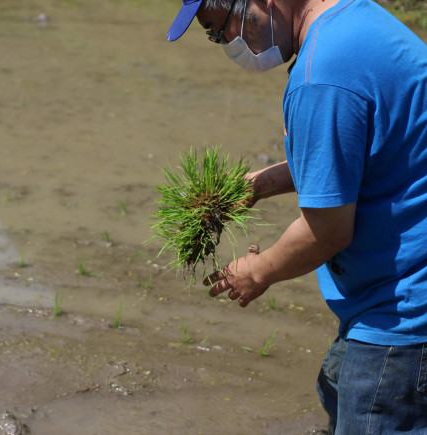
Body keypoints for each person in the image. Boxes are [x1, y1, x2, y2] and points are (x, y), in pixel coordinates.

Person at [166, 0, 427, 433]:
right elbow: (355, 154)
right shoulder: (354, 21)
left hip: (404, 314)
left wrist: (255, 273)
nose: (227, 45)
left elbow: (326, 233)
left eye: (218, 31)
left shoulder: (322, 75)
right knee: (334, 387)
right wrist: (259, 185)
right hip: (390, 295)